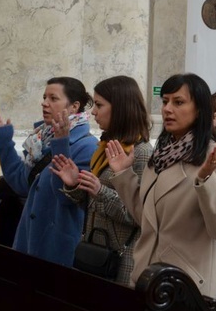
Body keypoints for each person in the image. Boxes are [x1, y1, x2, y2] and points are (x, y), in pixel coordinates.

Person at [108, 73, 216, 311]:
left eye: (178, 102)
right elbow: (148, 219)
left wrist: (206, 179)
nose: (167, 109)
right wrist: (123, 176)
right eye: (165, 101)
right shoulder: (163, 155)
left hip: (187, 284)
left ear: (199, 109)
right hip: (150, 276)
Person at [0, 77, 98, 266]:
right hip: (28, 242)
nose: (44, 103)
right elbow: (21, 184)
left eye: (53, 98)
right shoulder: (41, 139)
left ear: (74, 106)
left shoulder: (87, 146)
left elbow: (67, 197)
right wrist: (3, 143)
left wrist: (61, 143)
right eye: (45, 97)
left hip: (57, 249)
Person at [50, 76, 152, 284]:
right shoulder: (106, 147)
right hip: (95, 251)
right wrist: (75, 184)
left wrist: (100, 191)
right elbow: (92, 204)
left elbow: (140, 215)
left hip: (120, 260)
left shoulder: (140, 153)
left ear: (120, 107)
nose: (93, 112)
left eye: (99, 105)